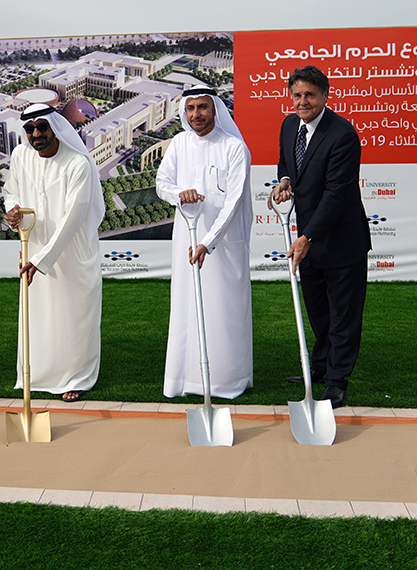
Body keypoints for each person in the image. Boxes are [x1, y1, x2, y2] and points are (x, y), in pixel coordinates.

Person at [271, 65, 371, 408]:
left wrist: (308, 236)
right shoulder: (289, 125)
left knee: (343, 315)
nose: (303, 101)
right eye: (297, 95)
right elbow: (286, 162)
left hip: (341, 242)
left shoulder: (342, 134)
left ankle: (337, 380)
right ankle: (318, 368)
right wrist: (284, 180)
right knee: (318, 313)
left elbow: (336, 193)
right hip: (308, 242)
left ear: (325, 96)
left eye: (310, 95)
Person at [156, 85, 253, 399]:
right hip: (187, 236)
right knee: (188, 305)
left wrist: (208, 243)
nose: (196, 114)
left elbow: (234, 201)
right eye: (191, 108)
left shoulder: (234, 148)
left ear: (215, 110)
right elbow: (162, 184)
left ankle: (226, 381)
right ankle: (185, 380)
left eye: (202, 108)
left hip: (222, 246)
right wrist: (178, 194)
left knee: (223, 309)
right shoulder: (180, 143)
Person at [3, 104, 104, 402]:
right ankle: (40, 375)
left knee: (73, 316)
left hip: (71, 253)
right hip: (33, 248)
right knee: (40, 316)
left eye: (42, 127)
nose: (36, 134)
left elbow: (73, 218)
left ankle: (76, 376)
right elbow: (12, 190)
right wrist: (12, 210)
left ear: (55, 128)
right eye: (30, 129)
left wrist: (42, 259)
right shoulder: (21, 155)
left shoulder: (78, 164)